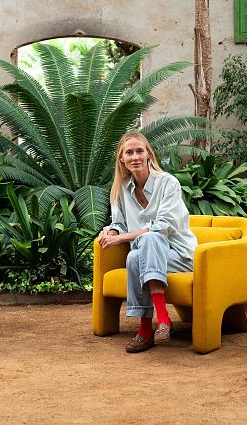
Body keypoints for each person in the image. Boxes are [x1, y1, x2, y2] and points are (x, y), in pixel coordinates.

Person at [98, 131, 197, 353]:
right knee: (134, 256)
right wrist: (111, 233)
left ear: (148, 155)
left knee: (150, 239)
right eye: (129, 152)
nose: (135, 157)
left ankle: (158, 320)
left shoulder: (168, 183)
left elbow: (160, 227)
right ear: (121, 158)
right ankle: (149, 327)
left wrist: (120, 238)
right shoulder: (120, 189)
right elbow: (119, 223)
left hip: (180, 256)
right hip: (148, 255)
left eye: (139, 151)